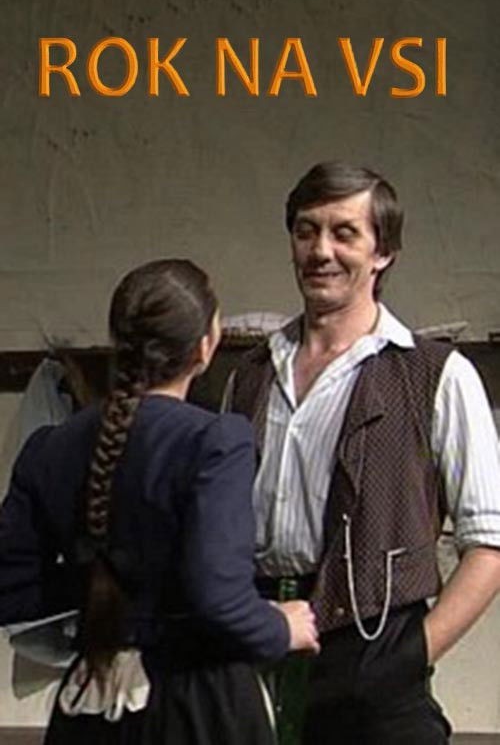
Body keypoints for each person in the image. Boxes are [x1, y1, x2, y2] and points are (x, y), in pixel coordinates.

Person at [225, 161, 500, 744]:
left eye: (344, 233)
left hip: (375, 650)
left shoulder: (437, 375)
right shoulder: (248, 375)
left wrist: (409, 660)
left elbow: (491, 544)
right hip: (256, 645)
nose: (320, 250)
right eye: (306, 231)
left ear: (383, 253)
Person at [0, 258, 319, 745]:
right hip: (195, 706)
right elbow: (217, 594)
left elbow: (10, 586)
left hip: (90, 702)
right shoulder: (215, 440)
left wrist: (107, 586)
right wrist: (279, 627)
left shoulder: (50, 447)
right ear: (205, 347)